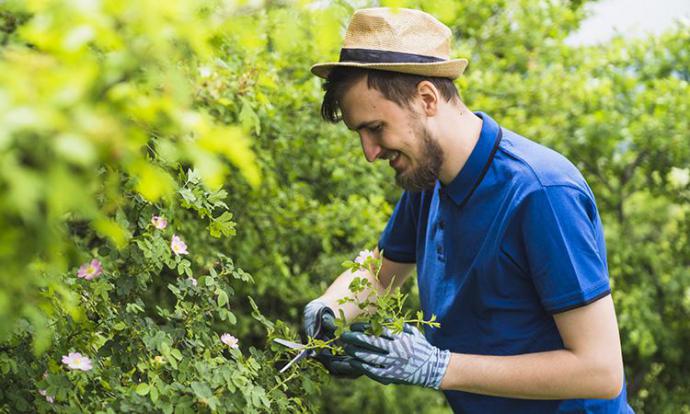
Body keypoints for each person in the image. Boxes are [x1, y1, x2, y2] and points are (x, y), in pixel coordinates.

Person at [303, 7, 634, 413]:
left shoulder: (540, 192)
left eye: (376, 128)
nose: (370, 153)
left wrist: (439, 367)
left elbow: (601, 372)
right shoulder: (428, 180)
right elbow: (381, 273)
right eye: (361, 134)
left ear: (427, 99)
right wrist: (329, 308)